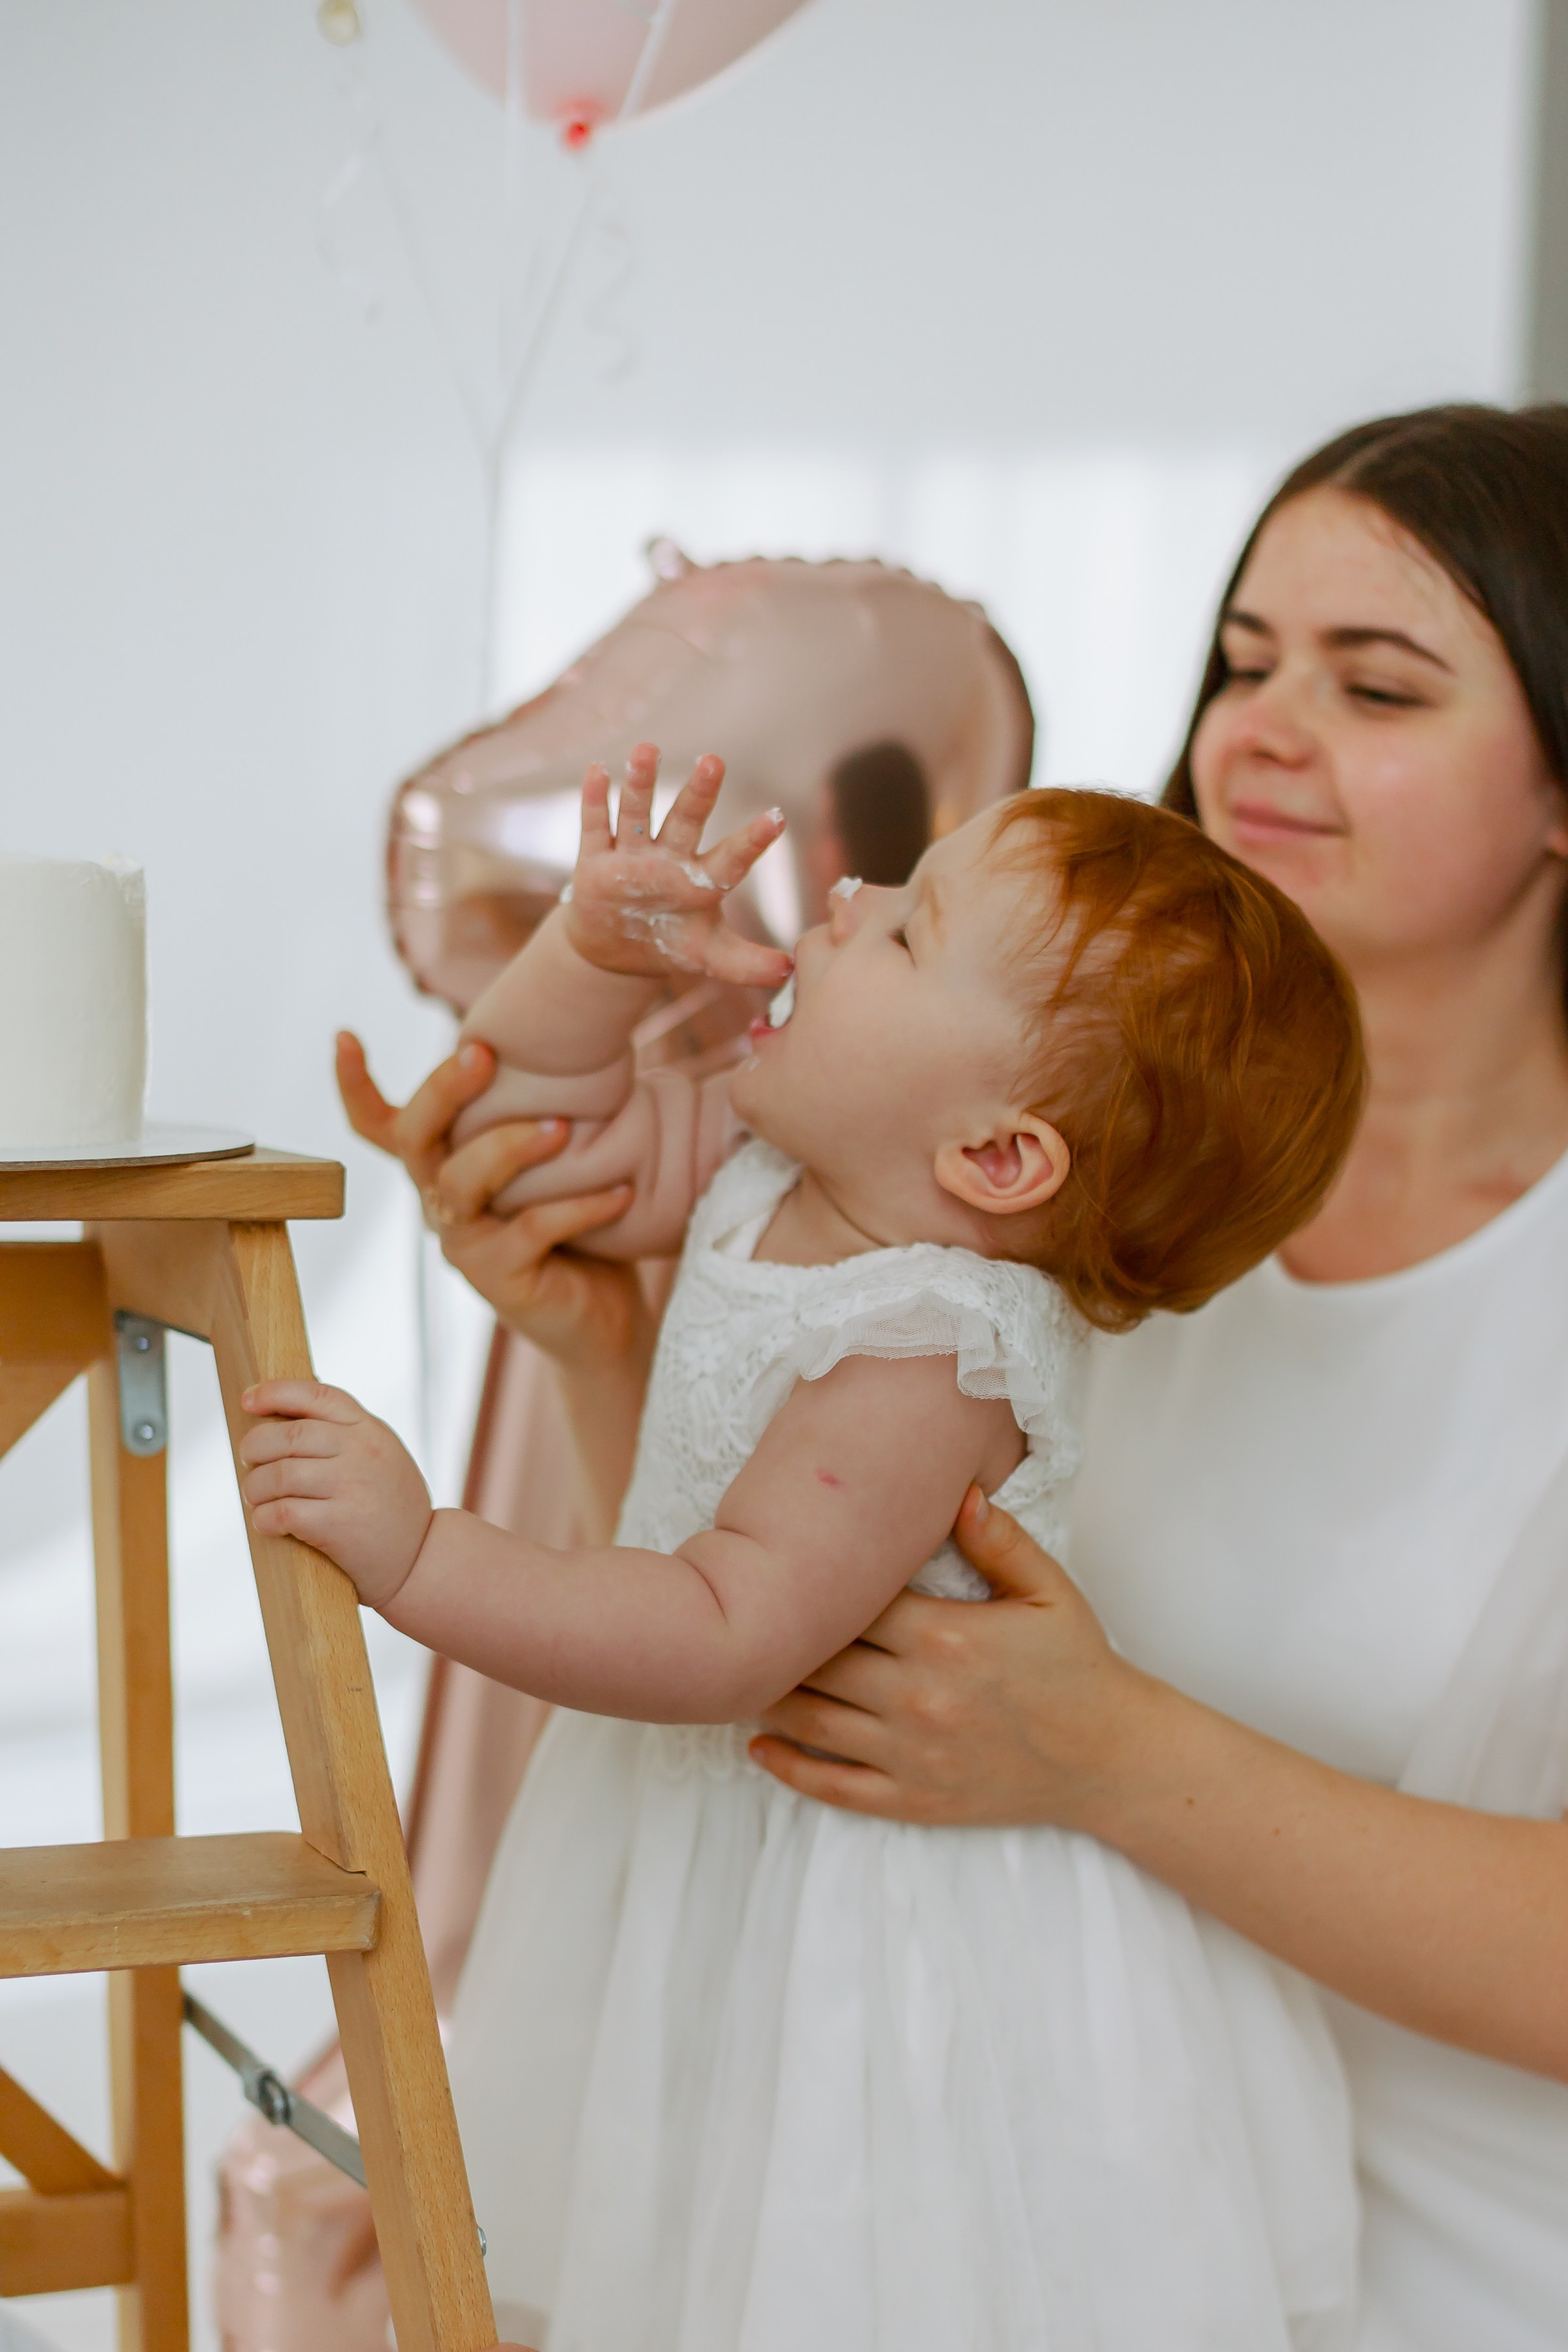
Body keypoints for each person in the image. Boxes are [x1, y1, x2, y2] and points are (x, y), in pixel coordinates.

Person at [340, 403, 1568, 2352]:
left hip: (1408, 2284)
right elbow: (779, 1595)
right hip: (955, 2195)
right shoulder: (1028, 1170)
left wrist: (1109, 1754)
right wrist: (607, 1346)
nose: (1257, 731)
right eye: (1245, 660)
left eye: (1378, 686)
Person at [249, 751, 1367, 2351]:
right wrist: (589, 953)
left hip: (870, 1917)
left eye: (907, 932)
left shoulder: (929, 1350)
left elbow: (722, 1629)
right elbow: (512, 1136)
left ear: (994, 1157)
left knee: (829, 2273)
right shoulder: (780, 1154)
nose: (848, 896)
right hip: (717, 1843)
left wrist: (422, 1553)